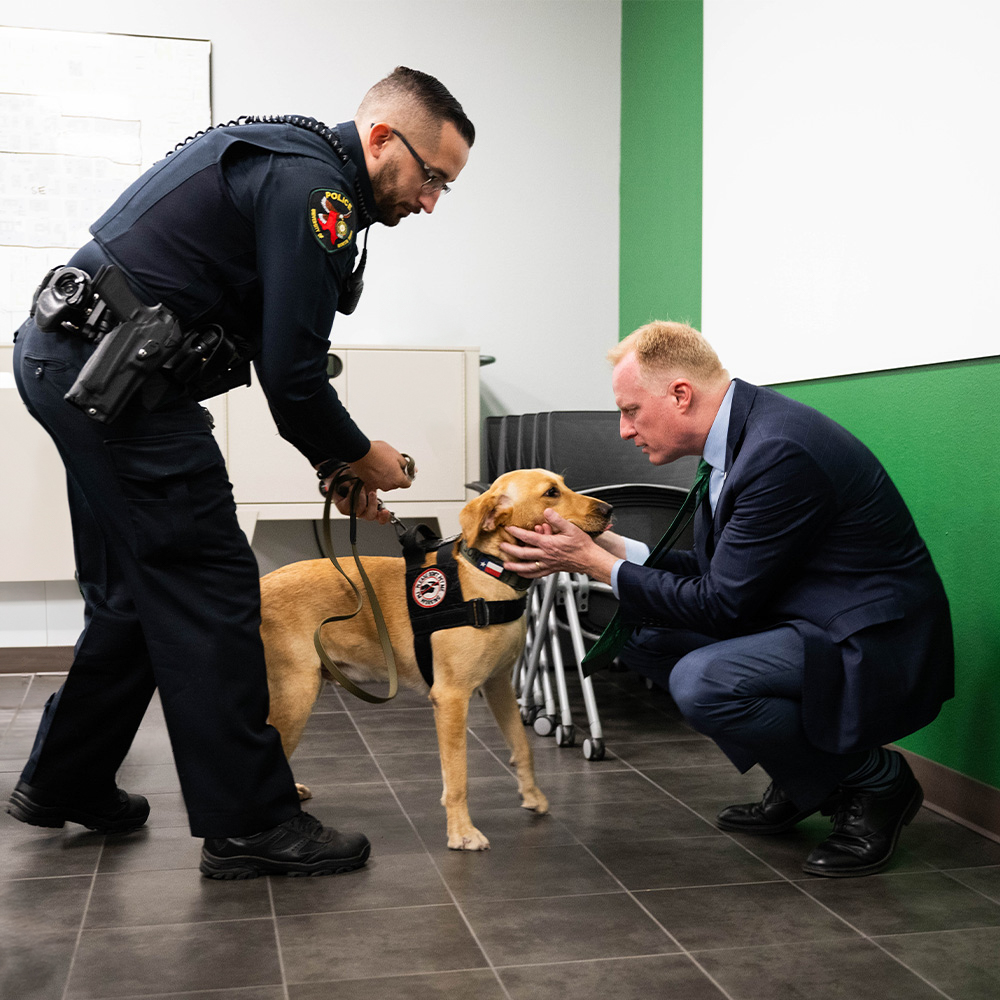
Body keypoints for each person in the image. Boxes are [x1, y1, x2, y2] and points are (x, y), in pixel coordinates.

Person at [7, 67, 475, 879]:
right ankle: (252, 823)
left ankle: (66, 779)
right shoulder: (313, 191)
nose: (431, 201)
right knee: (213, 587)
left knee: (135, 592)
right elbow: (292, 374)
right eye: (430, 175)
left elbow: (271, 351)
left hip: (79, 365)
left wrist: (334, 458)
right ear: (380, 139)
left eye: (446, 187)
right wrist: (362, 454)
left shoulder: (295, 166)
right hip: (118, 385)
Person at [500, 320, 954, 877]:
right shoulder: (740, 436)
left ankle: (875, 782)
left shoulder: (776, 451)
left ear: (680, 395)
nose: (623, 430)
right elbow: (721, 577)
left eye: (631, 411)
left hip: (869, 638)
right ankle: (806, 778)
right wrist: (608, 545)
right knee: (642, 632)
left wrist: (593, 563)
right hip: (802, 615)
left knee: (704, 681)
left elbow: (721, 605)